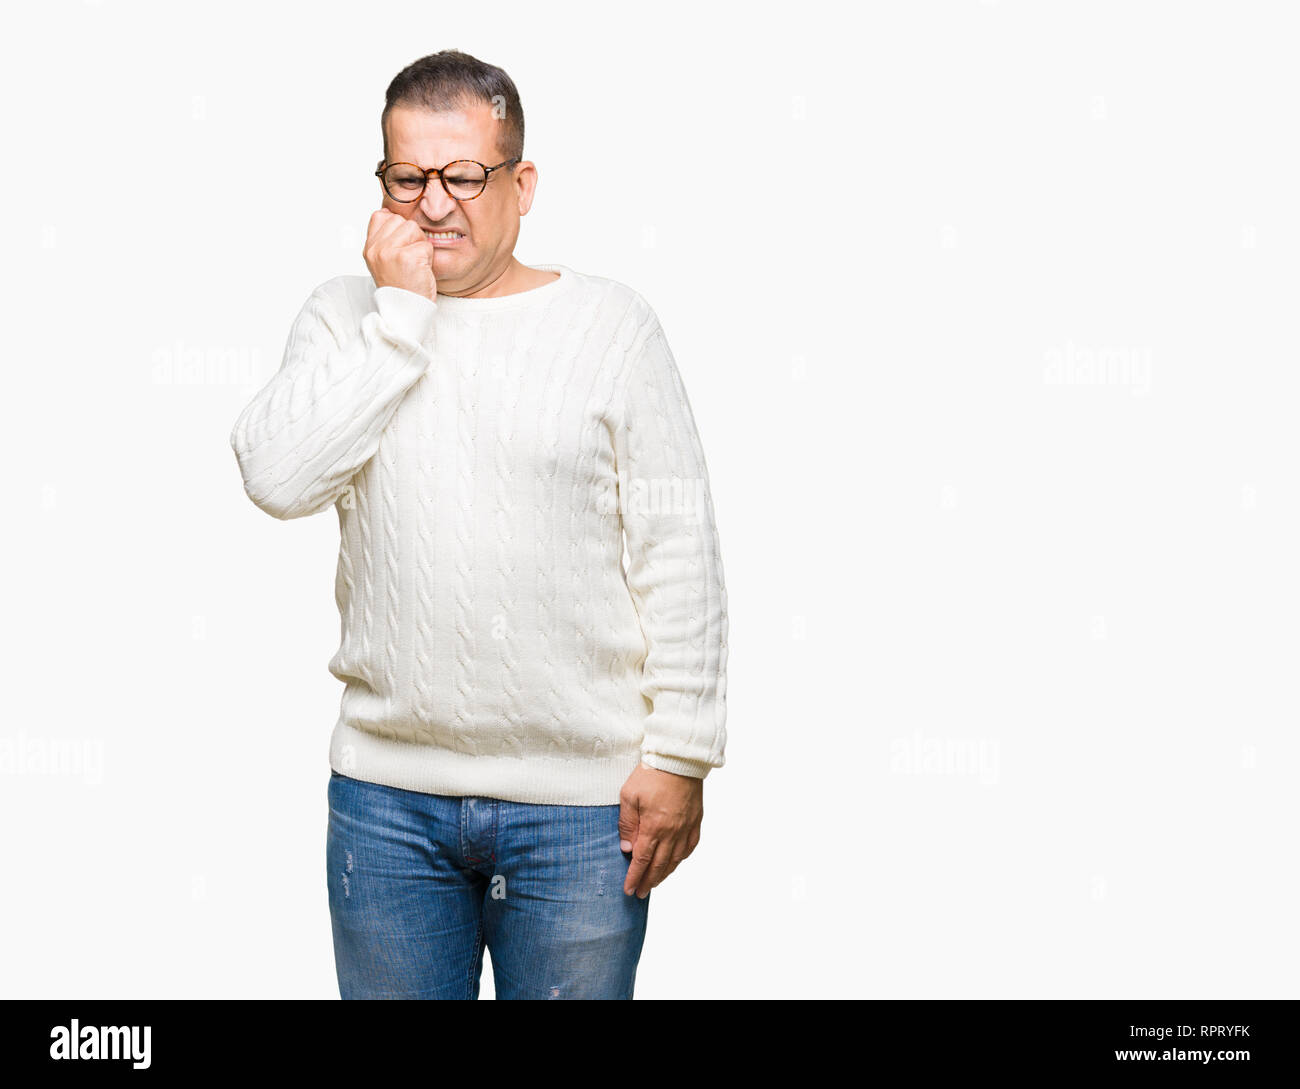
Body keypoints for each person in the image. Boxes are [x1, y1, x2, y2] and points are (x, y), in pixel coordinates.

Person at [228, 49, 728, 1000]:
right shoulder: (349, 320)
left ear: (521, 182)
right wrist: (403, 320)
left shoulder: (611, 327)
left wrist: (682, 751)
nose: (435, 203)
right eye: (407, 177)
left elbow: (678, 550)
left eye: (464, 175)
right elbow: (276, 476)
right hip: (386, 803)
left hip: (581, 812)